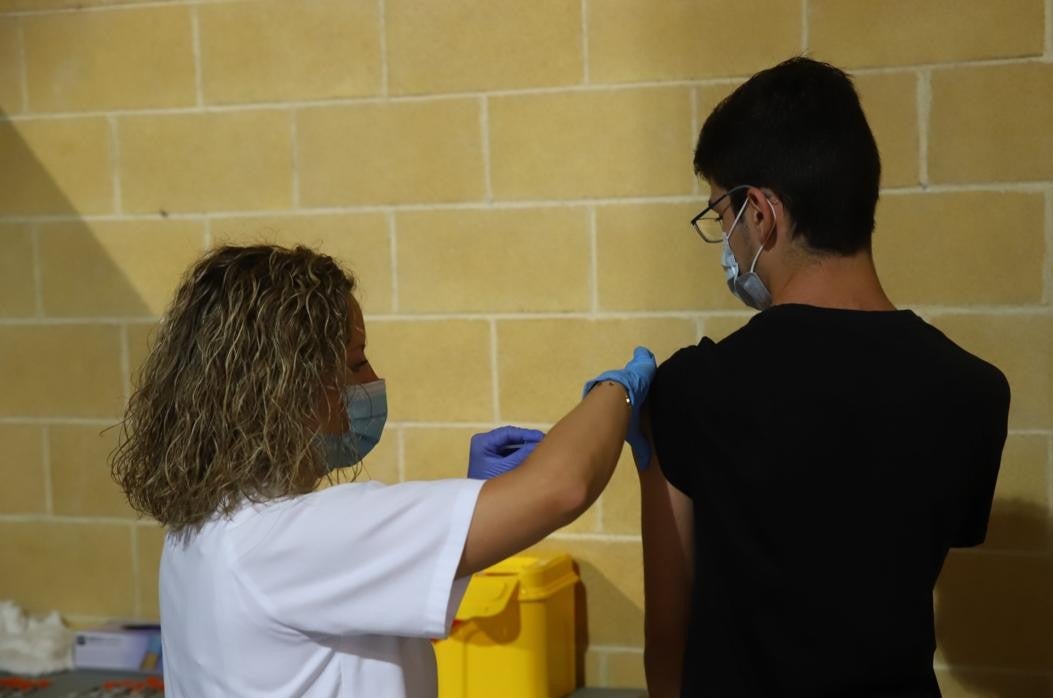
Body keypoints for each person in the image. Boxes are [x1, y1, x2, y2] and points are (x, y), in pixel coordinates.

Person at [110, 244, 655, 697]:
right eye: (353, 362)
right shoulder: (287, 539)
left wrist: (472, 499)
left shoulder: (201, 530)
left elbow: (357, 613)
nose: (370, 379)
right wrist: (617, 392)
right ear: (286, 389)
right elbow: (561, 487)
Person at [638, 58, 1011, 697]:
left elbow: (668, 654)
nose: (725, 242)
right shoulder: (976, 392)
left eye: (720, 218)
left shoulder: (692, 391)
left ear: (761, 213)